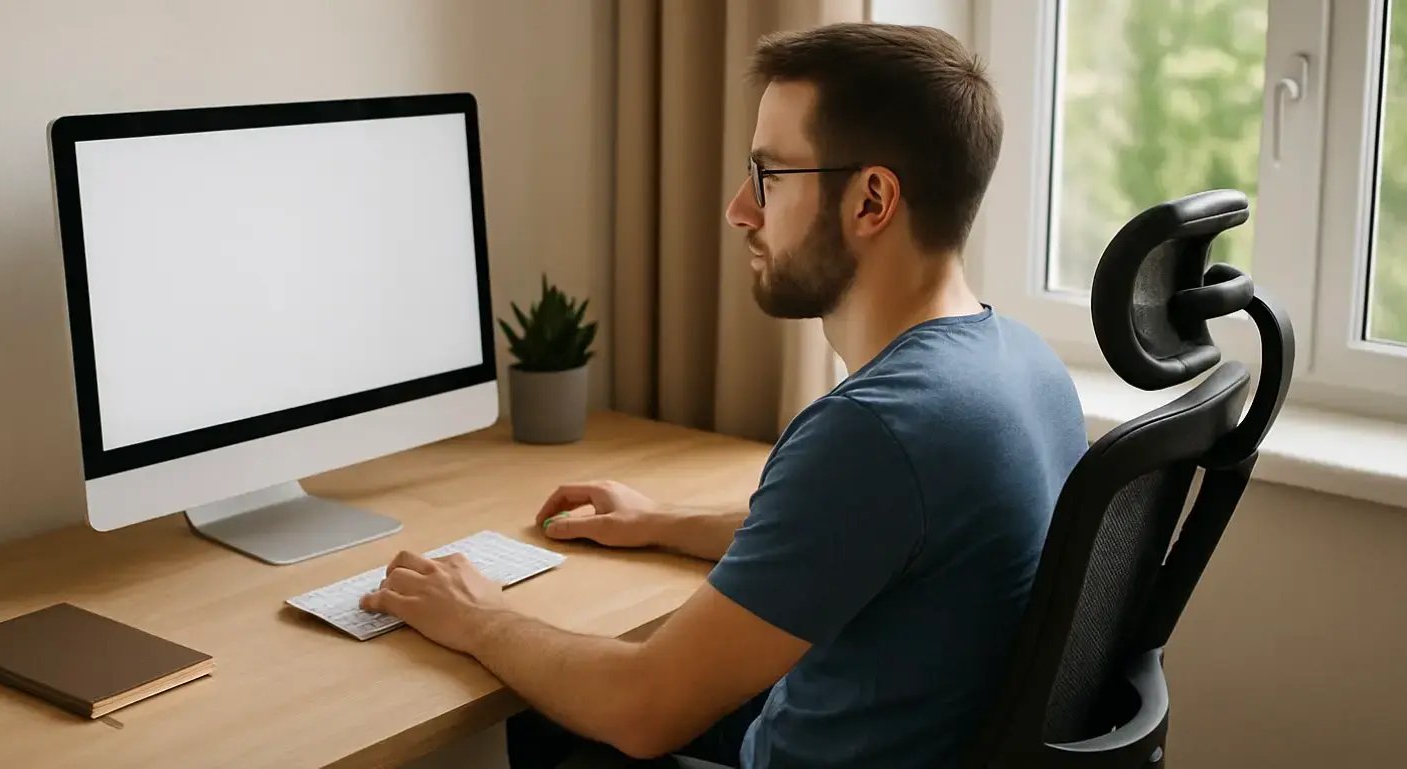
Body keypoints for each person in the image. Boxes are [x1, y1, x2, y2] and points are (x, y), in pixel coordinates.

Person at [359, 22, 1086, 769]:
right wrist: (666, 521)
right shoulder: (1017, 364)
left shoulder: (871, 432)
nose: (740, 208)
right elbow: (870, 533)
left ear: (872, 199)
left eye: (770, 176)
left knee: (553, 718)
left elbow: (642, 708)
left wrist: (479, 616)